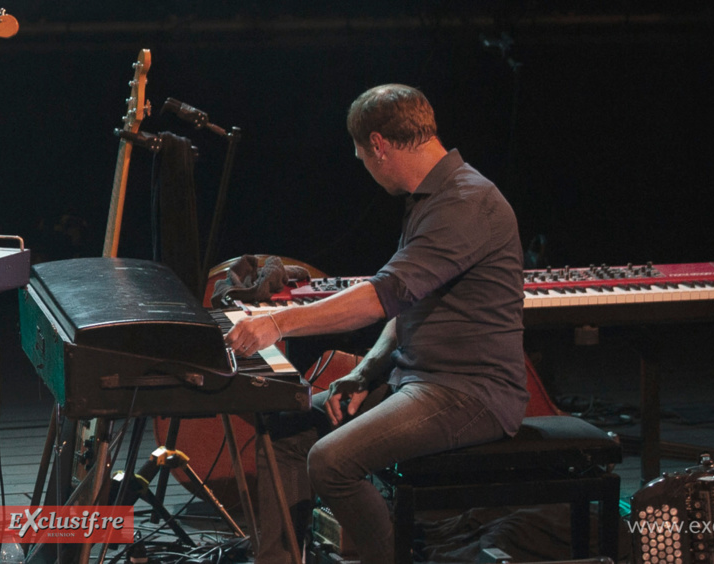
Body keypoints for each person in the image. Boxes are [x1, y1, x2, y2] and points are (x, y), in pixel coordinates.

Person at [225, 83, 528, 564]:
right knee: (286, 426)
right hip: (419, 380)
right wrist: (365, 373)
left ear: (380, 145)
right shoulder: (431, 197)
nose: (364, 166)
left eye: (361, 155)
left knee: (331, 462)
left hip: (471, 392)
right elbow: (405, 302)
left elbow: (383, 295)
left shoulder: (466, 203)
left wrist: (278, 323)